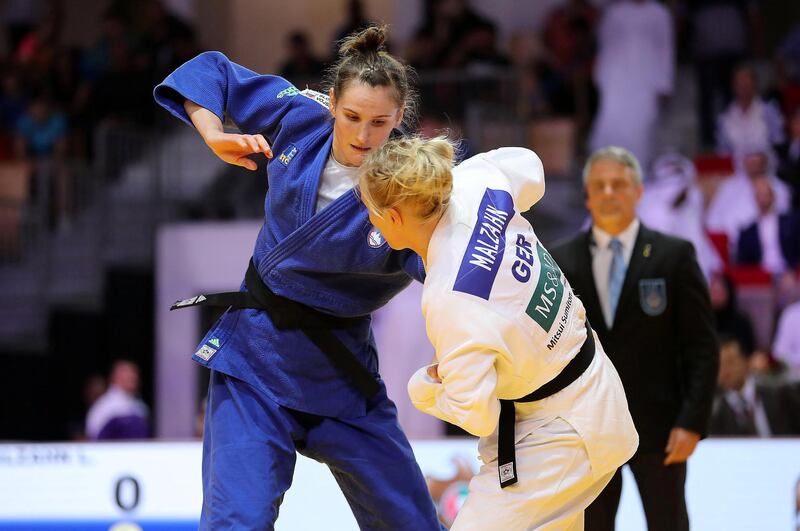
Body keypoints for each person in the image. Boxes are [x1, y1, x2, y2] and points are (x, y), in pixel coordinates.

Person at [154, 26, 443, 530]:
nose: (362, 135)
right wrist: (214, 134)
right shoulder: (300, 118)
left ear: (400, 118)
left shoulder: (411, 185)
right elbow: (212, 71)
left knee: (412, 523)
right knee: (235, 521)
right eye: (351, 117)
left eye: (379, 122)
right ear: (330, 103)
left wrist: (459, 343)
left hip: (343, 373)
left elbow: (446, 272)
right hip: (257, 362)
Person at [358, 137, 638, 530]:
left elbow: (477, 414)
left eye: (371, 211)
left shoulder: (449, 297)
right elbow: (531, 167)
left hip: (558, 439)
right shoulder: (475, 181)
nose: (369, 220)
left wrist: (423, 387)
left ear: (394, 217)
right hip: (591, 393)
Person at [550, 146, 719, 531]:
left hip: (661, 429)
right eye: (600, 186)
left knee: (668, 524)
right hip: (586, 431)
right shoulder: (558, 261)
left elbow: (702, 347)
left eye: (619, 184)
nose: (609, 193)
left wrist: (692, 421)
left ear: (638, 192)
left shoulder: (673, 256)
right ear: (587, 196)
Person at [588, 0, 674, 170]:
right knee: (612, 125)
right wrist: (601, 76)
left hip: (646, 81)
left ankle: (637, 179)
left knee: (641, 129)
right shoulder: (615, 13)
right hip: (616, 81)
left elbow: (666, 49)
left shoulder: (659, 13)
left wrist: (665, 83)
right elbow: (605, 44)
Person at [709, 336, 800, 436]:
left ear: (746, 361)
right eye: (720, 365)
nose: (726, 370)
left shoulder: (780, 393)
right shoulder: (715, 410)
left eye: (730, 362)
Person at [85, 360, 150, 440]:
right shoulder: (103, 406)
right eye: (128, 375)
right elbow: (94, 434)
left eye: (134, 375)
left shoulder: (139, 405)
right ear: (115, 377)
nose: (134, 378)